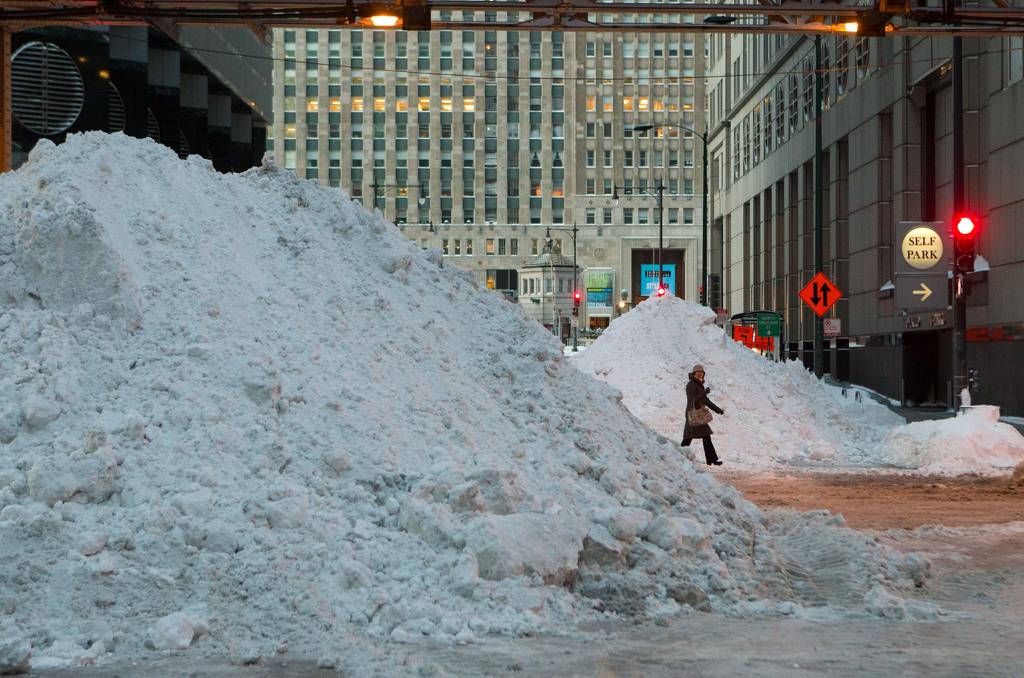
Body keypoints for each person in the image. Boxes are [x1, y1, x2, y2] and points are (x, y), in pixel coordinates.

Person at [681, 363, 725, 466]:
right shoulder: (691, 384)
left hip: (699, 415)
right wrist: (704, 393)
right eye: (698, 372)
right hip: (692, 415)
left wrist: (718, 410)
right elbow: (692, 400)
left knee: (706, 436)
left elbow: (706, 401)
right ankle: (678, 455)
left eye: (702, 372)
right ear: (694, 373)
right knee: (687, 438)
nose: (700, 374)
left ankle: (712, 460)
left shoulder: (699, 385)